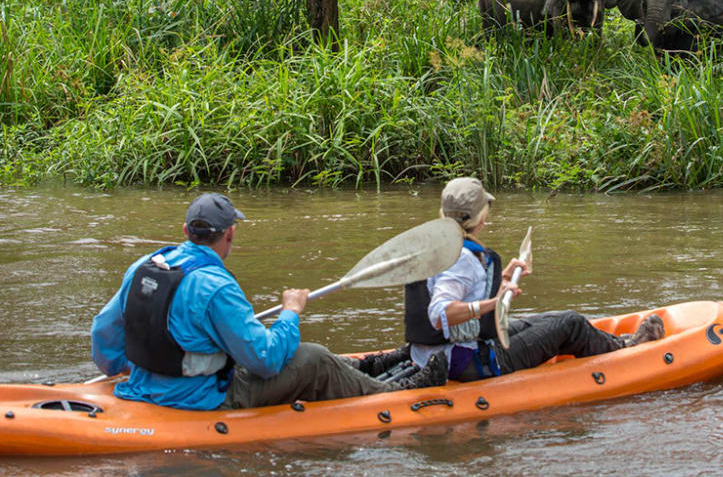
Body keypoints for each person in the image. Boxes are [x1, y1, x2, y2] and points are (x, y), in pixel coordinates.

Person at [91, 192, 448, 410]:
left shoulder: (145, 265)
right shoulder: (216, 286)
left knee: (288, 350)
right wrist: (291, 313)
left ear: (186, 231)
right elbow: (266, 361)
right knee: (312, 359)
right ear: (230, 233)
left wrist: (128, 370)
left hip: (145, 385)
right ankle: (395, 391)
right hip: (200, 398)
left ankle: (368, 365)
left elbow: (103, 333)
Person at [402, 177, 665, 381]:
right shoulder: (463, 258)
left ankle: (616, 343)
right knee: (570, 323)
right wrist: (494, 302)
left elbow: (452, 288)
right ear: (481, 217)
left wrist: (503, 279)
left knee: (551, 318)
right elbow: (440, 313)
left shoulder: (440, 246)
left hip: (439, 354)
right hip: (467, 362)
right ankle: (628, 350)